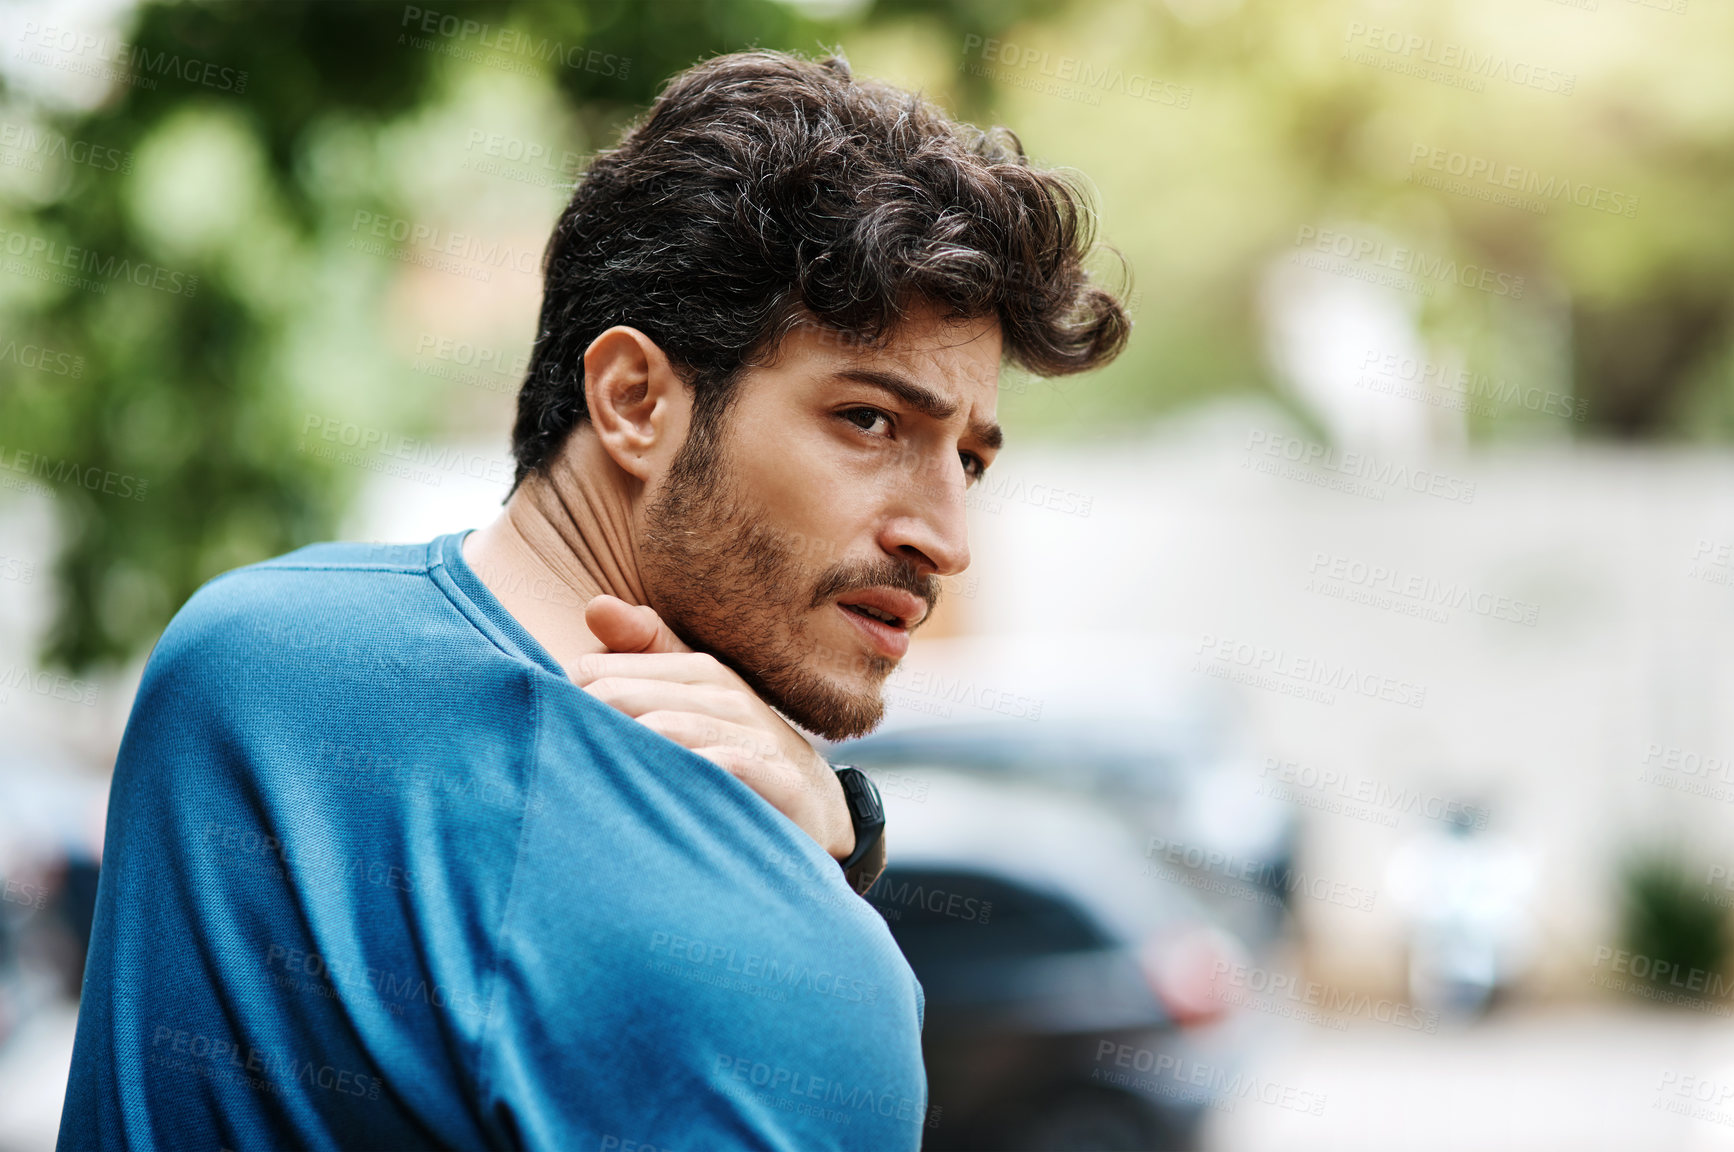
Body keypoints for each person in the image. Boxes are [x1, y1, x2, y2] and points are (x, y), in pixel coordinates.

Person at [58, 49, 1127, 1150]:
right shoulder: (802, 977)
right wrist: (811, 893)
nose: (943, 538)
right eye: (869, 421)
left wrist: (829, 845)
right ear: (632, 399)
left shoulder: (238, 663)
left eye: (972, 462)